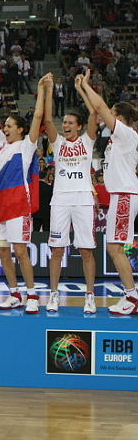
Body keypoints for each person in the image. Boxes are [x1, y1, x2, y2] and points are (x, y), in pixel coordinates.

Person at [0, 73, 48, 314]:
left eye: (10, 126)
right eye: (5, 126)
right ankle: (14, 293)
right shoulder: (1, 144)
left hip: (18, 205)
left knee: (20, 251)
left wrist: (41, 90)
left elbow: (38, 116)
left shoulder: (26, 146)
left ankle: (32, 295)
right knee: (3, 251)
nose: (5, 128)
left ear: (20, 129)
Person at [78, 74, 138, 315]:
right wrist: (81, 90)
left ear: (119, 118)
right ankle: (131, 295)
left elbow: (101, 107)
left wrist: (86, 84)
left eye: (112, 114)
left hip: (124, 195)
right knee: (115, 247)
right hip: (121, 195)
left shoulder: (126, 133)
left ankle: (132, 297)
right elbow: (97, 110)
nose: (107, 118)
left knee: (115, 248)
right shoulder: (118, 137)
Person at [44, 71, 98, 313]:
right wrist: (48, 90)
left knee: (86, 250)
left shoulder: (87, 141)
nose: (65, 125)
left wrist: (81, 88)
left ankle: (90, 296)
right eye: (64, 122)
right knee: (57, 250)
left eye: (69, 123)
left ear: (79, 126)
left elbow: (94, 113)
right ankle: (53, 294)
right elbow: (47, 119)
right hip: (61, 200)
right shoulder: (58, 143)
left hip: (83, 199)